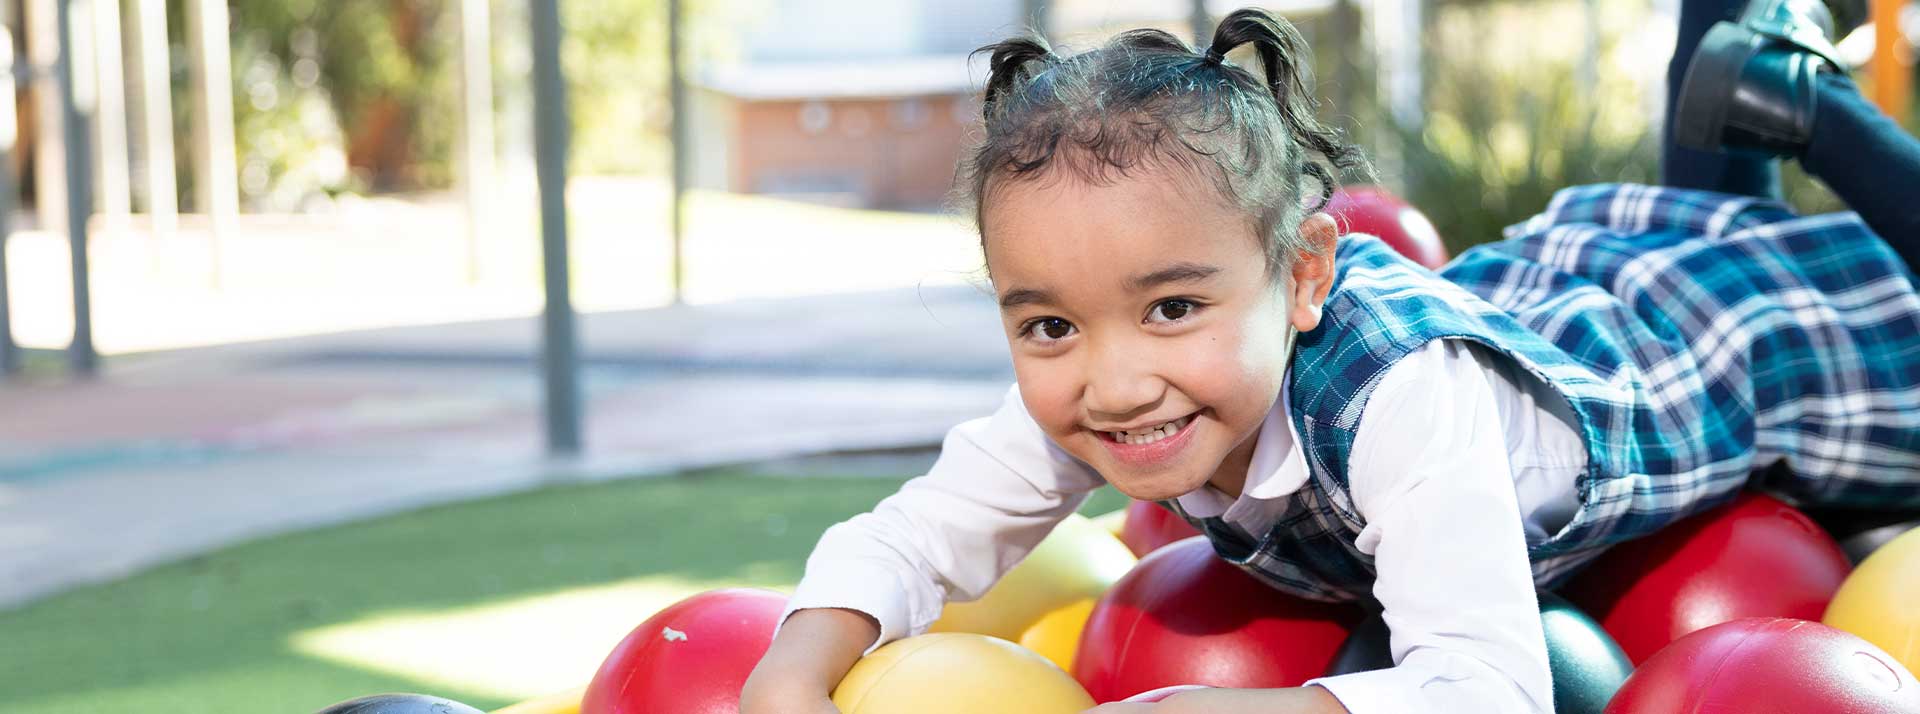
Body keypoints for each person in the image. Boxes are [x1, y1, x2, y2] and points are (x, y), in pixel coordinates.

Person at [741, 5, 1920, 713]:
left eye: (1171, 309)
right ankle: (1756, 60)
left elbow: (1490, 687)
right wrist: (795, 671)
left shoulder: (1400, 398)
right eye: (1047, 325)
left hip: (1710, 357)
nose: (1111, 380)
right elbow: (914, 533)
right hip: (1539, 304)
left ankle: (1804, 99)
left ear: (1304, 274)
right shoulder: (1110, 383)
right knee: (1706, 206)